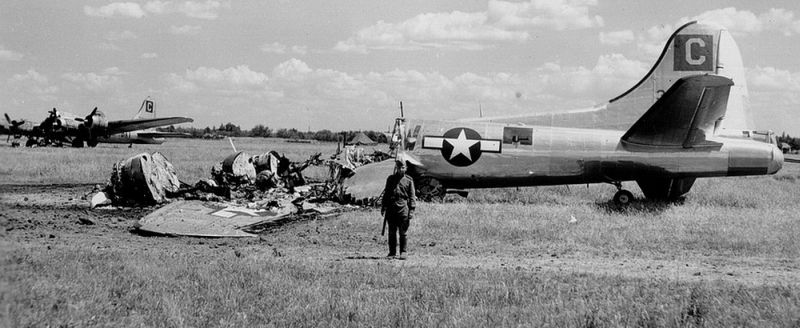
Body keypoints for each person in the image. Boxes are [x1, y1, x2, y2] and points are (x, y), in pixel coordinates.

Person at [381, 160, 416, 259]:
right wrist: (383, 206)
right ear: (396, 168)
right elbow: (386, 194)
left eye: (403, 167)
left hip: (403, 209)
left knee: (403, 232)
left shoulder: (409, 180)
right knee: (392, 232)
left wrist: (412, 210)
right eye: (399, 167)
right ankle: (392, 252)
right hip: (391, 209)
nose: (401, 170)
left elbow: (412, 196)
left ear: (406, 168)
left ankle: (403, 252)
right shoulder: (390, 179)